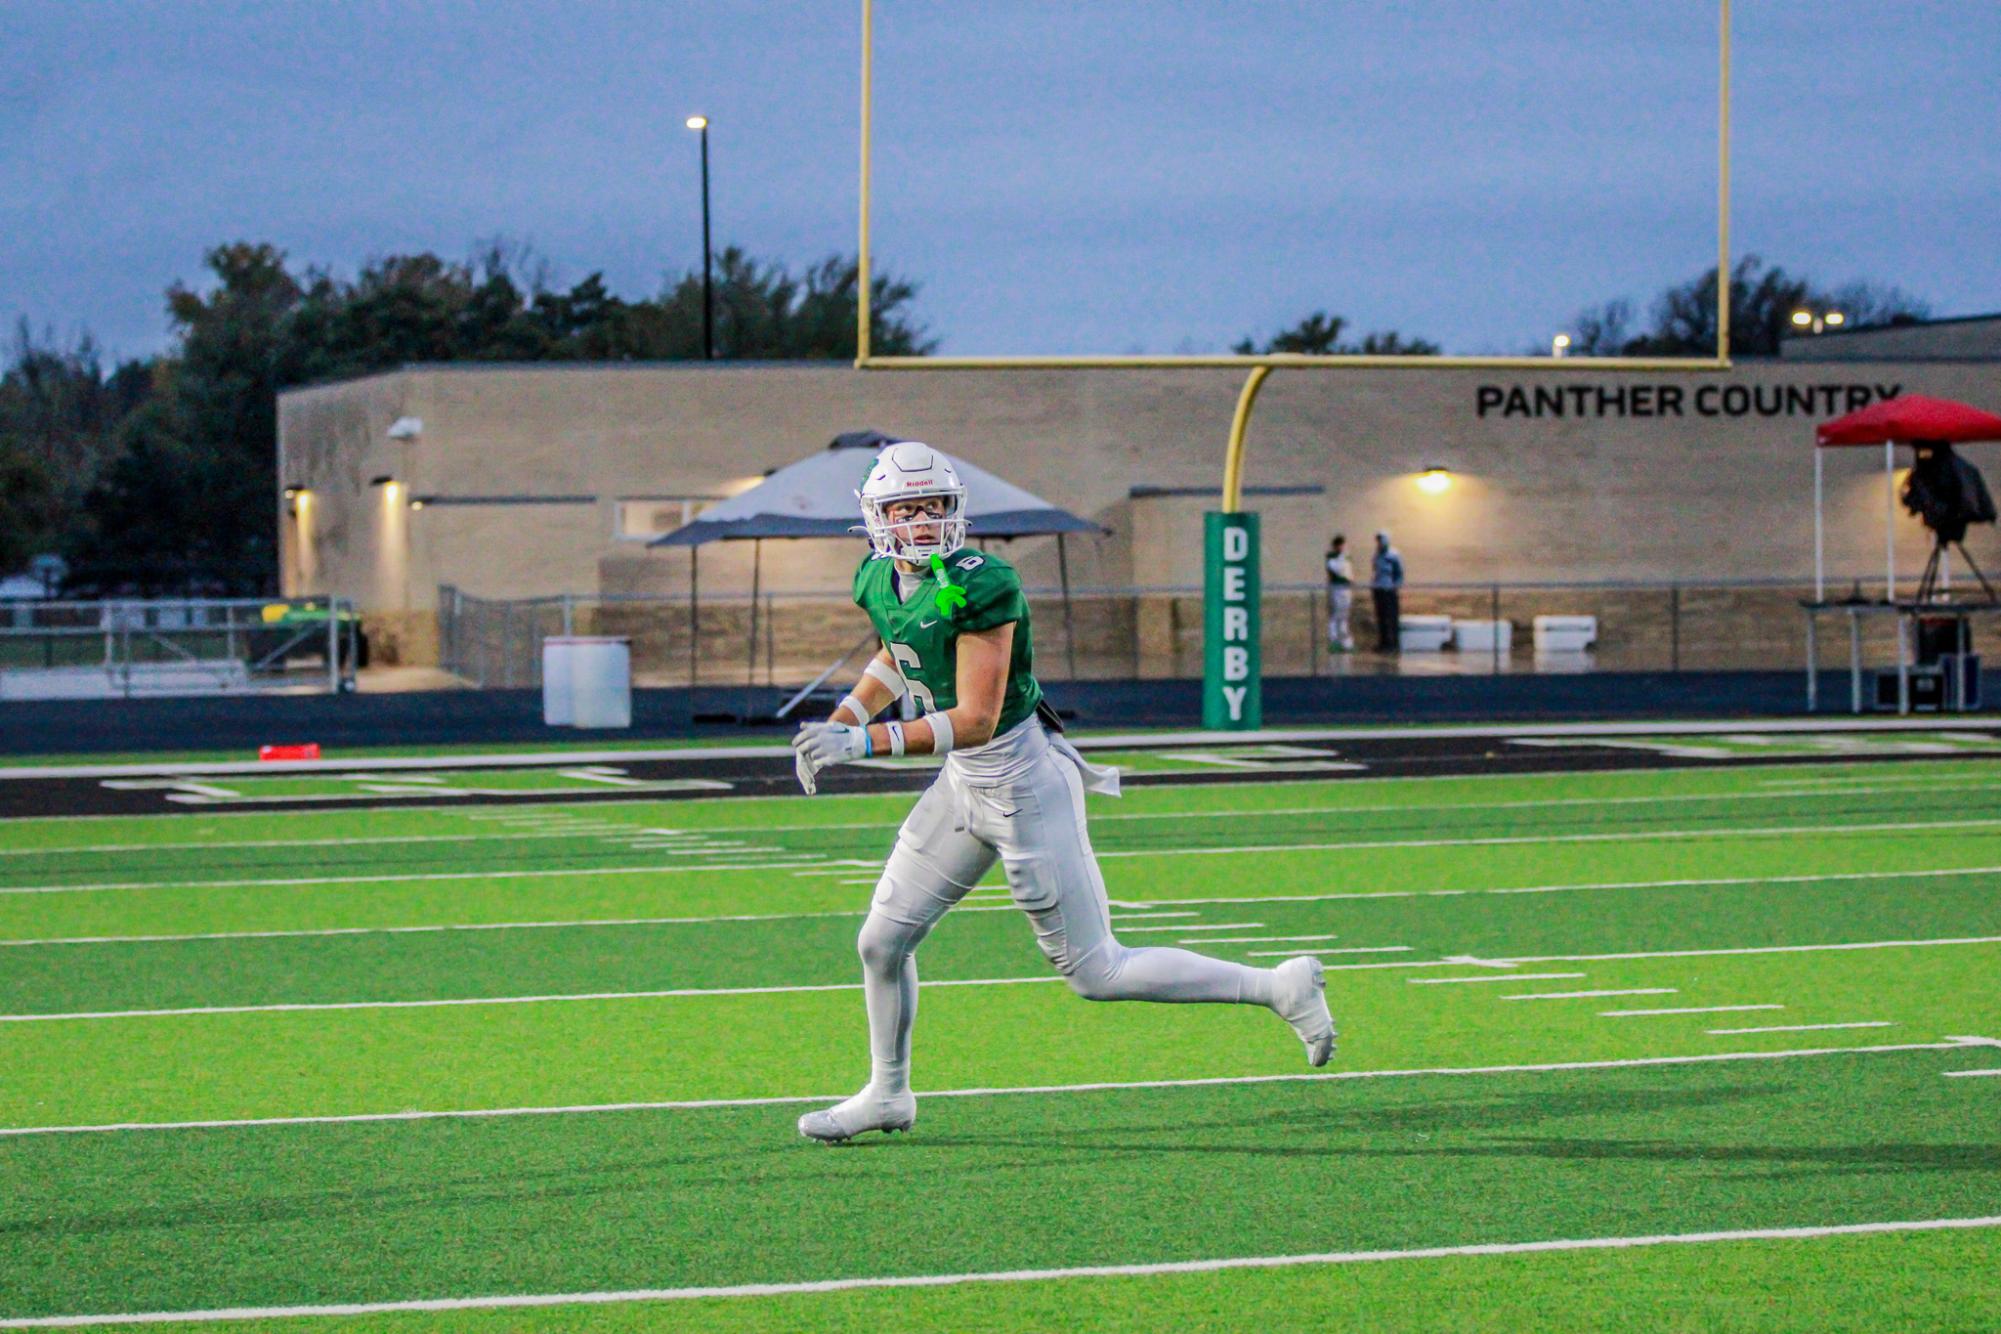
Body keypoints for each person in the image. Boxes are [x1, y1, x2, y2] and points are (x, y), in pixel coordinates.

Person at [789, 441, 1337, 1142]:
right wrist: (840, 719)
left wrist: (861, 744)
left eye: (933, 506)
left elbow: (977, 719)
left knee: (1097, 972)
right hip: (963, 787)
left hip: (1021, 782)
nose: (922, 522)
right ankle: (888, 1093)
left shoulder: (985, 583)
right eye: (905, 508)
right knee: (880, 941)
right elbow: (899, 656)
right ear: (875, 516)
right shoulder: (875, 577)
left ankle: (1276, 986)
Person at [1371, 530, 1404, 652]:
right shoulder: (1376, 555)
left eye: (1381, 540)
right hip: (1378, 589)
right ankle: (1383, 642)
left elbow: (1399, 572)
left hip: (1389, 589)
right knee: (1381, 617)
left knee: (1391, 617)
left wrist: (1395, 586)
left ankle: (1394, 643)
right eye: (1378, 540)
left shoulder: (1394, 554)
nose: (1379, 543)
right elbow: (1375, 570)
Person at [1325, 533, 1355, 652]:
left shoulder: (1346, 557)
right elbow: (1339, 571)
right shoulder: (1331, 558)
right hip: (1336, 589)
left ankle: (1345, 642)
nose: (1342, 547)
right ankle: (1334, 640)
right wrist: (1342, 558)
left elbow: (1349, 572)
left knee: (1344, 615)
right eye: (1340, 545)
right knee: (1335, 615)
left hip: (1346, 589)